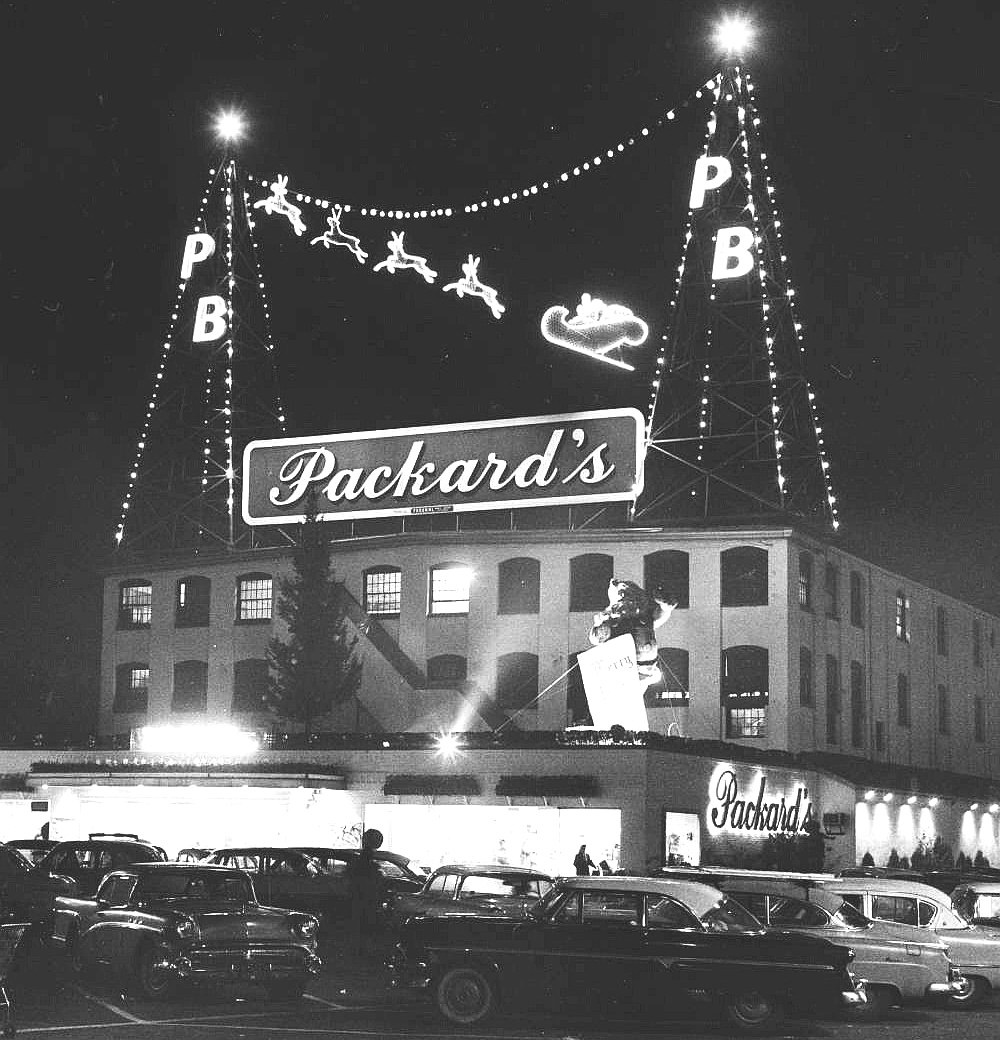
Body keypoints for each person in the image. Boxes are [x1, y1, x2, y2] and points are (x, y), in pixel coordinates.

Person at [347, 828, 386, 957]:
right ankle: (363, 951)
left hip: (357, 899)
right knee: (367, 927)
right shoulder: (374, 868)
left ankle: (357, 950)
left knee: (358, 926)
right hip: (369, 901)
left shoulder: (356, 864)